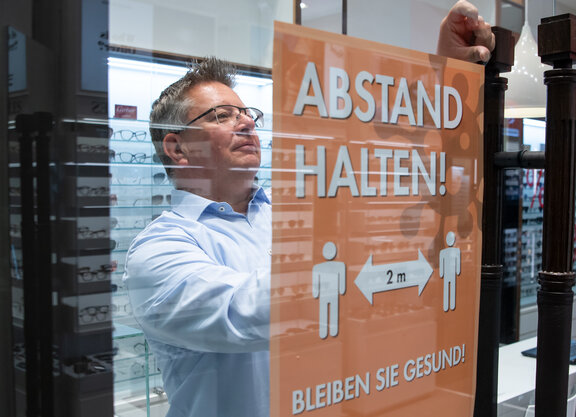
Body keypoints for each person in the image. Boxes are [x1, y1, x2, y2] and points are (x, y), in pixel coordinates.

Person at [123, 2, 494, 416]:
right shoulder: (158, 250)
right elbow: (240, 314)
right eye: (222, 115)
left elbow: (409, 197)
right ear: (176, 147)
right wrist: (353, 266)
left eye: (248, 113)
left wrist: (445, 78)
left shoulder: (286, 212)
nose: (246, 123)